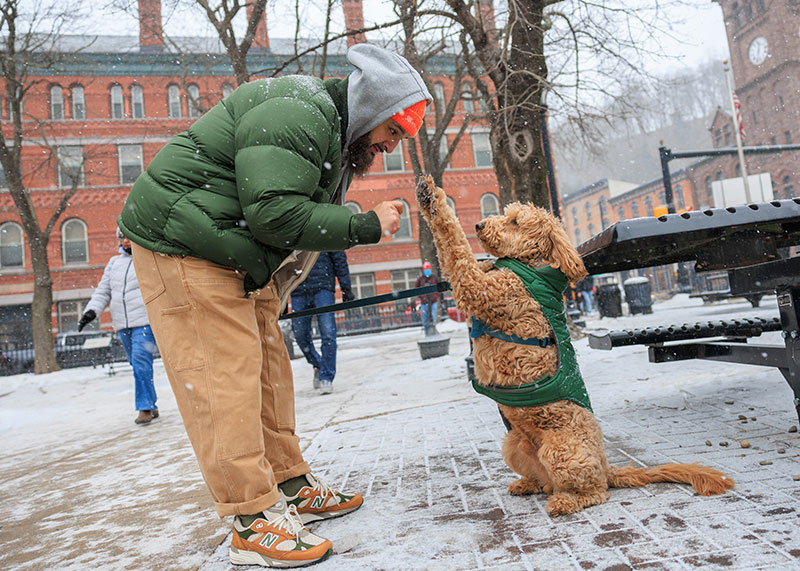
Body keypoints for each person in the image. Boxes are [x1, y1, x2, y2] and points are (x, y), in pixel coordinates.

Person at [118, 43, 432, 568]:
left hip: (228, 248)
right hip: (184, 241)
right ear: (372, 112)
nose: (390, 147)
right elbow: (276, 214)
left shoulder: (326, 128)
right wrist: (363, 225)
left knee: (268, 368)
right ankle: (250, 515)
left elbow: (280, 216)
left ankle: (288, 482)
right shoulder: (299, 113)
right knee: (226, 378)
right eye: (392, 132)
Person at [78, 228, 159, 425]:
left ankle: (145, 408)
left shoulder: (148, 260)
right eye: (121, 237)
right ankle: (152, 404)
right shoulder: (114, 264)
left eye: (128, 237)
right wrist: (91, 312)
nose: (125, 241)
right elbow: (103, 291)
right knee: (137, 364)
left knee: (140, 361)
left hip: (144, 321)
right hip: (122, 324)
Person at [290, 251, 354, 395]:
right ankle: (318, 364)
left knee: (328, 333)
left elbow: (339, 258)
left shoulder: (327, 229)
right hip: (298, 288)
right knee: (299, 334)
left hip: (323, 286)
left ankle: (326, 376)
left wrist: (346, 287)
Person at [415, 261, 442, 335]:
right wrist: (422, 297)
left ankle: (433, 331)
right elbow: (416, 289)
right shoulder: (420, 279)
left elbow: (440, 288)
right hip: (424, 303)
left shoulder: (435, 278)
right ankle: (427, 332)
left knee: (433, 317)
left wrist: (435, 295)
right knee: (425, 319)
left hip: (433, 301)